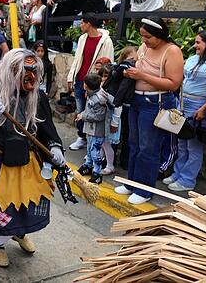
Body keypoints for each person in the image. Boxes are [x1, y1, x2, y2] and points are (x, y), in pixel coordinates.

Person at [0, 49, 67, 268]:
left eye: (34, 71)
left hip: (29, 162)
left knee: (28, 203)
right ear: (10, 71)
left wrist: (55, 147)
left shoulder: (39, 96)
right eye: (24, 71)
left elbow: (47, 130)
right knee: (1, 206)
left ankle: (19, 232)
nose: (31, 77)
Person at [114, 17, 183, 205]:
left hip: (156, 102)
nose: (144, 41)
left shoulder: (172, 51)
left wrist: (142, 75)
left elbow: (173, 83)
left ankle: (144, 189)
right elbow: (139, 66)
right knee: (134, 144)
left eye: (148, 37)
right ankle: (132, 183)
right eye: (142, 36)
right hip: (136, 99)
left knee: (149, 148)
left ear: (160, 35)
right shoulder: (145, 47)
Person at [163, 30, 206, 192]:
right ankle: (178, 173)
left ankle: (187, 180)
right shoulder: (193, 59)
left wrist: (204, 108)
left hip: (199, 105)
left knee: (193, 146)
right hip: (183, 104)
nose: (195, 45)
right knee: (181, 142)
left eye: (199, 43)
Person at [66, 12, 115, 151]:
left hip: (94, 84)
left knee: (93, 113)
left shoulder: (106, 41)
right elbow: (77, 59)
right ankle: (81, 137)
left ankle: (92, 143)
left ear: (89, 24)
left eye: (82, 23)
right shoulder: (82, 38)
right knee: (80, 111)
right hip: (80, 80)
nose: (80, 25)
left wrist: (101, 85)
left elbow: (107, 65)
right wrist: (71, 77)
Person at [75, 73, 115, 184]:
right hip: (91, 128)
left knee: (95, 151)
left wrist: (83, 116)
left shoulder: (98, 99)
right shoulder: (92, 94)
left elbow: (99, 116)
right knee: (89, 148)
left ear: (86, 85)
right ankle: (88, 165)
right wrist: (83, 114)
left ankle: (97, 173)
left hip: (97, 130)